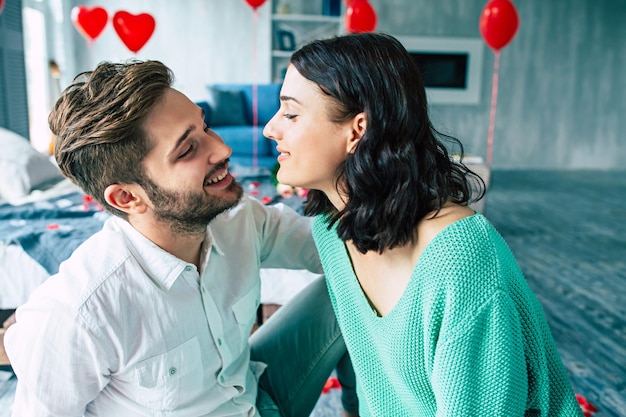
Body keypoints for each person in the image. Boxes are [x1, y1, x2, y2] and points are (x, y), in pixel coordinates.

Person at [4, 60, 358, 417]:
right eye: (188, 150)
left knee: (351, 280)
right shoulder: (78, 313)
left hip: (258, 396)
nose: (221, 150)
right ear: (127, 198)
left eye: (206, 127)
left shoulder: (237, 218)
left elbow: (344, 248)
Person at [263, 32, 584, 416]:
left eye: (291, 114)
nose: (270, 128)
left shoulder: (461, 259)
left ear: (357, 130)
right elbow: (374, 381)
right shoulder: (333, 231)